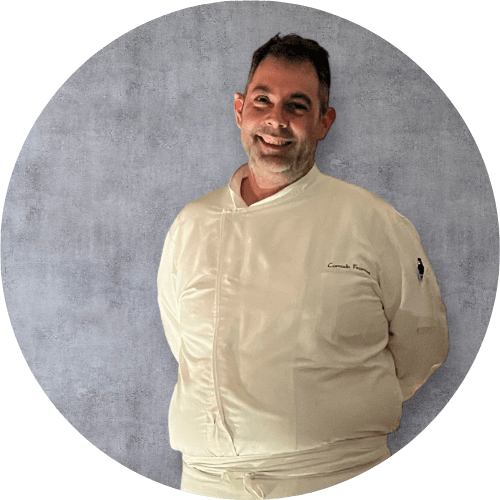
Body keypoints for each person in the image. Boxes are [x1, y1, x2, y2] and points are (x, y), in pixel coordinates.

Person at [157, 34, 448, 499]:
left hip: (335, 472)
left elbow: (423, 341)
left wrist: (338, 409)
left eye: (297, 106)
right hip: (207, 480)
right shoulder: (192, 224)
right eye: (263, 101)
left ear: (323, 122)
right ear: (239, 110)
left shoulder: (372, 221)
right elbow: (184, 343)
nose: (276, 119)